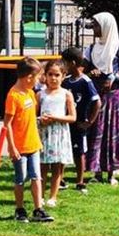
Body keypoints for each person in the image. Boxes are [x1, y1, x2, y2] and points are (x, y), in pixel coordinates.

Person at [84, 12, 119, 185]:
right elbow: (82, 70)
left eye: (97, 25)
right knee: (96, 132)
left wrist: (114, 77)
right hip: (96, 95)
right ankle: (96, 171)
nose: (94, 28)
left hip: (114, 97)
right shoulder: (91, 49)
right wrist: (91, 72)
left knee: (113, 133)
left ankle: (111, 172)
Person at [3, 57, 54, 223]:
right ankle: (20, 209)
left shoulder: (30, 93)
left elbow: (30, 119)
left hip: (33, 144)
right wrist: (12, 147)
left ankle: (38, 209)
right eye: (38, 77)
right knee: (20, 177)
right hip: (19, 146)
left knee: (36, 177)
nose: (40, 80)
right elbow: (7, 125)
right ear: (29, 77)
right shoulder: (13, 96)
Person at [61, 47, 101, 193]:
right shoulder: (65, 81)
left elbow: (97, 102)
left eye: (64, 62)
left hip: (79, 123)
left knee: (79, 152)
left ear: (72, 63)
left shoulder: (85, 81)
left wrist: (89, 122)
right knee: (64, 150)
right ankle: (61, 178)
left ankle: (80, 180)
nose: (62, 65)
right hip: (66, 122)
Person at [38, 60, 76, 207]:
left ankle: (53, 196)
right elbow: (34, 115)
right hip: (44, 134)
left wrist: (55, 118)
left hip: (59, 134)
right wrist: (41, 120)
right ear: (45, 76)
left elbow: (72, 117)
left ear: (63, 76)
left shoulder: (66, 94)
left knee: (57, 168)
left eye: (57, 75)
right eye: (50, 74)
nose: (53, 78)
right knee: (42, 167)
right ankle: (39, 195)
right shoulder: (40, 94)